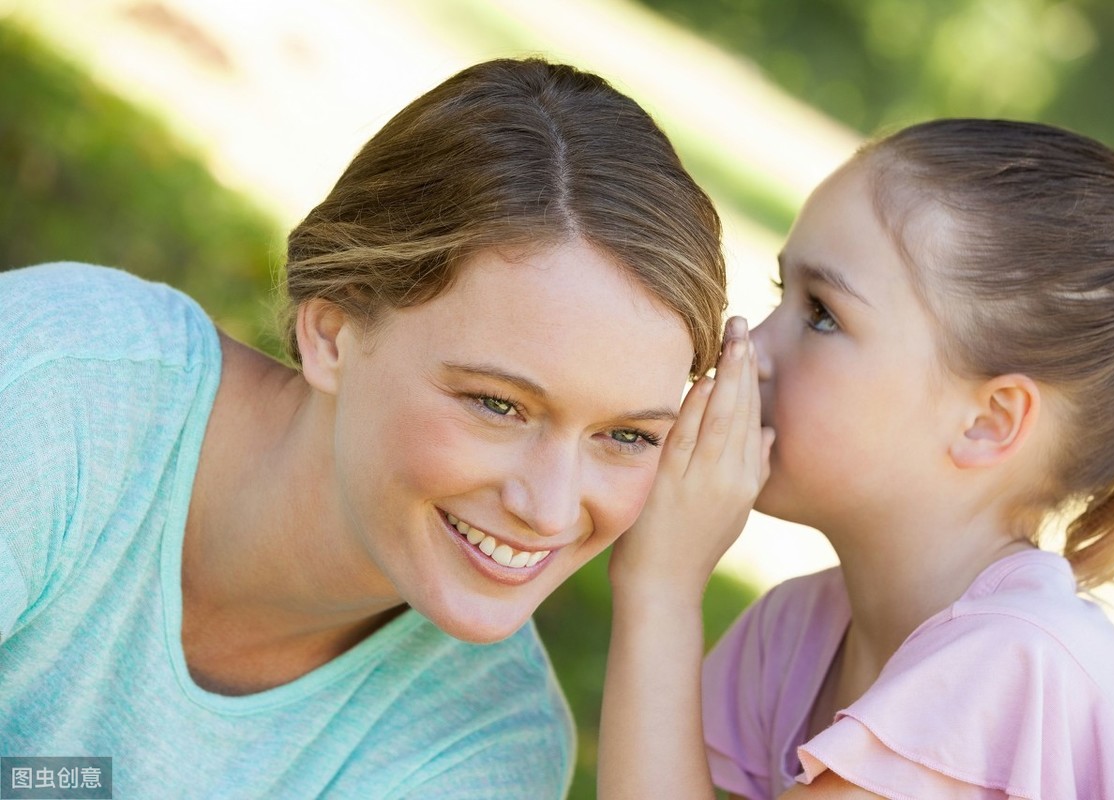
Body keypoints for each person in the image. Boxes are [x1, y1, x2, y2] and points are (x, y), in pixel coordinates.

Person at [0, 57, 728, 798]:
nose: (548, 507)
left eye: (628, 436)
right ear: (332, 333)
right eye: (496, 404)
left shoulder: (484, 745)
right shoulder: (56, 391)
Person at [599, 119, 1114, 799]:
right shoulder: (792, 634)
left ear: (987, 422)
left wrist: (662, 590)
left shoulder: (1012, 666)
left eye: (822, 314)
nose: (752, 349)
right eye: (781, 294)